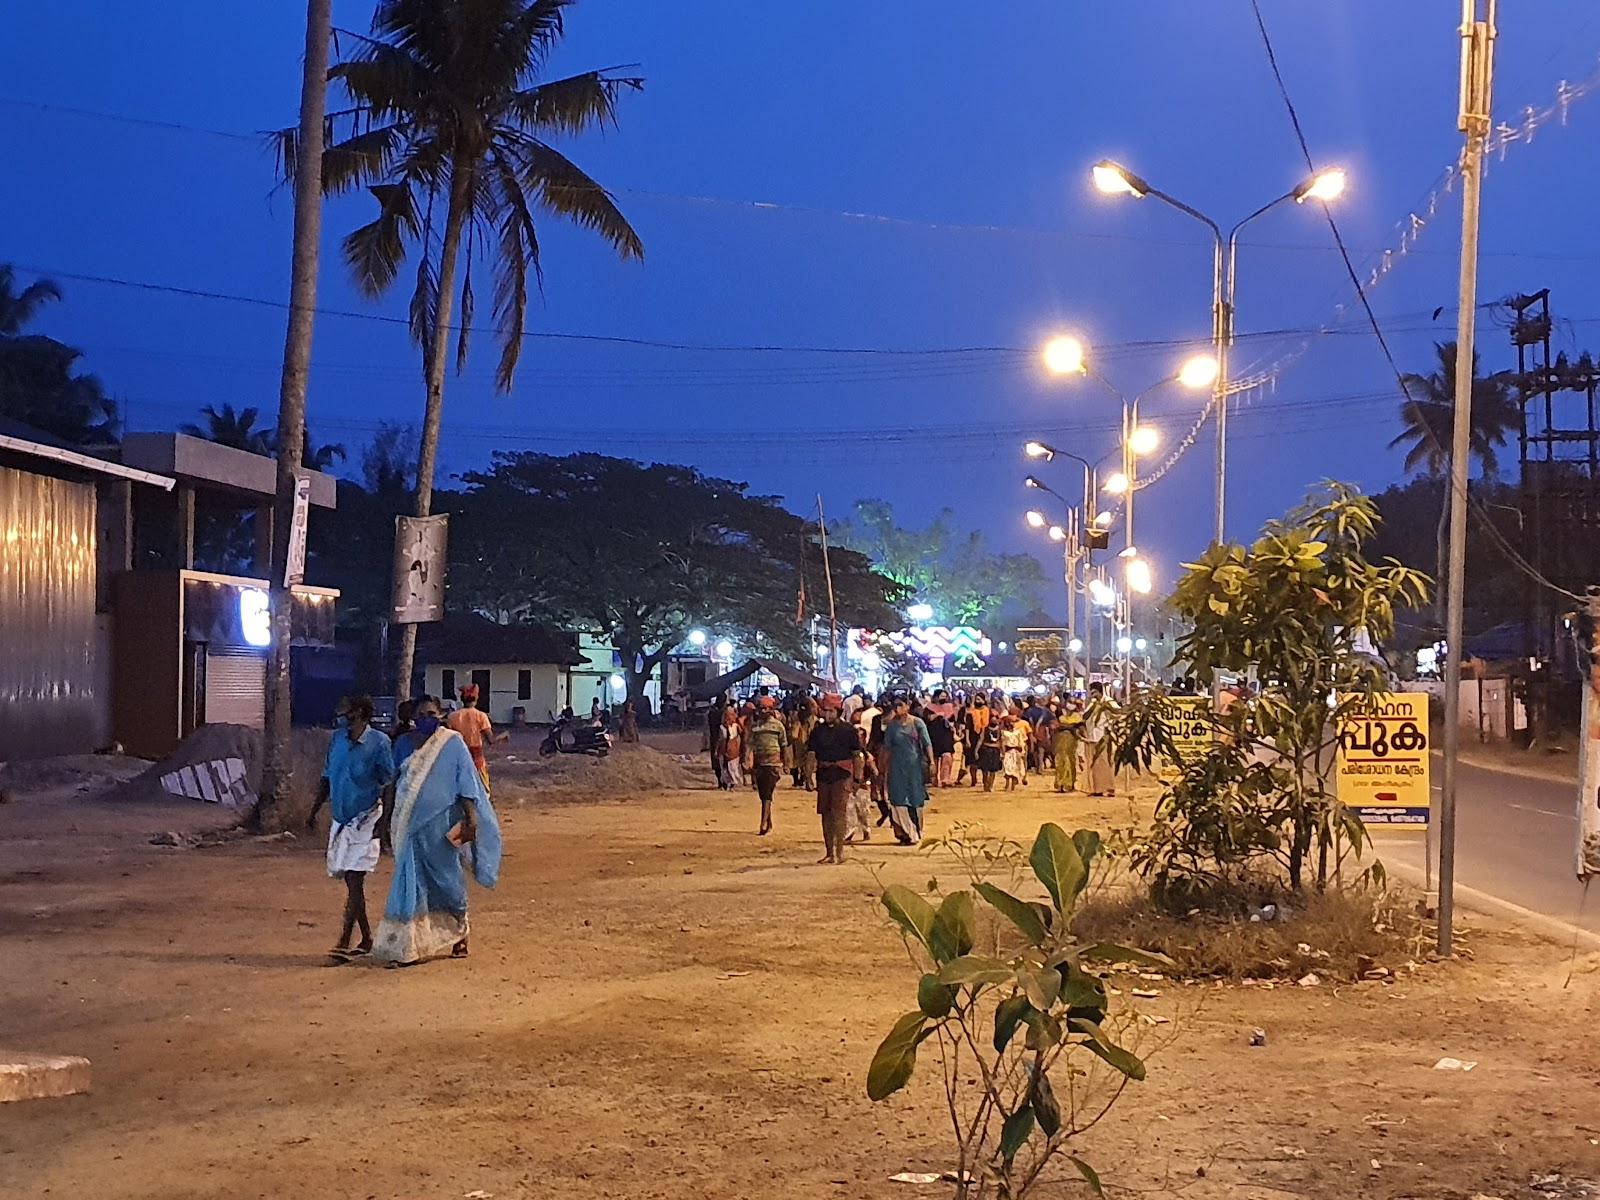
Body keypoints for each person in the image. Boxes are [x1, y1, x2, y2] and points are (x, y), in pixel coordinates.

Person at [372, 696, 502, 966]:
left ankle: (460, 931)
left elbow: (466, 783)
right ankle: (406, 947)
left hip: (439, 826)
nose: (426, 718)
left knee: (447, 881)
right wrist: (384, 819)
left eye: (431, 713)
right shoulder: (404, 745)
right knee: (408, 882)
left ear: (441, 714)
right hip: (407, 826)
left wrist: (471, 817)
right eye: (421, 714)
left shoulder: (452, 744)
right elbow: (393, 785)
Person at [310, 695, 396, 963]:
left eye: (345, 712)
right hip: (342, 819)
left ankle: (344, 942)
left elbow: (389, 783)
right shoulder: (337, 740)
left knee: (355, 880)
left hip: (366, 818)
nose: (340, 717)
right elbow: (327, 777)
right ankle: (367, 938)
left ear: (360, 713)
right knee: (350, 881)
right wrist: (314, 811)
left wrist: (384, 824)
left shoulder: (379, 743)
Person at [807, 693, 864, 864]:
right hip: (824, 774)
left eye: (831, 711)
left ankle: (839, 852)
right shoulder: (817, 731)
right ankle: (829, 851)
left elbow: (857, 755)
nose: (828, 714)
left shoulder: (849, 731)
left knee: (839, 812)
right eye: (826, 711)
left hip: (842, 774)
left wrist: (857, 777)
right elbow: (811, 754)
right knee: (825, 813)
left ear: (838, 711)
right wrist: (808, 776)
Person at [883, 696, 934, 843]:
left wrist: (931, 762)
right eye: (895, 705)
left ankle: (915, 833)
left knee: (915, 798)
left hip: (914, 768)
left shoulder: (918, 723)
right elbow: (887, 748)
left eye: (901, 705)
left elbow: (927, 744)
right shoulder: (892, 726)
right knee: (898, 799)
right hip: (897, 768)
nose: (898, 708)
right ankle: (903, 834)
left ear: (908, 705)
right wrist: (882, 769)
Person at [446, 684, 506, 791]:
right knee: (483, 791)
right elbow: (491, 740)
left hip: (458, 759)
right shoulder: (481, 716)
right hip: (476, 759)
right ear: (476, 698)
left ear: (462, 699)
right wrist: (503, 735)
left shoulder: (452, 717)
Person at [744, 696, 790, 835]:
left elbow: (784, 745)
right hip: (759, 763)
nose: (762, 711)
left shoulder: (778, 726)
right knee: (762, 792)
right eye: (760, 708)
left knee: (767, 792)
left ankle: (763, 822)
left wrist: (787, 763)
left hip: (773, 763)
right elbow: (749, 744)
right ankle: (768, 820)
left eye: (765, 708)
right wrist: (747, 759)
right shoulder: (755, 726)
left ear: (771, 710)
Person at [1082, 682, 1117, 796]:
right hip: (1093, 736)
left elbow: (1118, 712)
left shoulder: (1109, 701)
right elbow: (1085, 716)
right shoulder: (1092, 703)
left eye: (1093, 692)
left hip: (1104, 736)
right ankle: (1098, 788)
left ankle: (1109, 788)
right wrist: (1092, 704)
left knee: (1105, 763)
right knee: (1095, 764)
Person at [1053, 700, 1084, 793]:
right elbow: (1057, 727)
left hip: (1071, 741)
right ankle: (1061, 784)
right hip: (1060, 741)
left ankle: (1070, 783)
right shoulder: (1061, 717)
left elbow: (1079, 728)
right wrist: (1069, 727)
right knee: (1060, 762)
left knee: (1070, 761)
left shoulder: (1077, 717)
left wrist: (1067, 727)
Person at [925, 702, 956, 788]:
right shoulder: (929, 708)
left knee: (947, 757)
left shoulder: (949, 707)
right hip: (934, 736)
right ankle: (934, 779)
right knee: (934, 759)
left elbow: (953, 721)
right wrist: (938, 714)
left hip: (946, 737)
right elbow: (927, 719)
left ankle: (945, 779)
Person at [975, 712, 1003, 793]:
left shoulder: (999, 730)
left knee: (993, 770)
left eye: (995, 717)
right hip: (986, 749)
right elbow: (981, 739)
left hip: (995, 750)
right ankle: (985, 784)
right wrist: (977, 750)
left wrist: (1002, 752)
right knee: (985, 769)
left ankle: (991, 785)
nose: (994, 719)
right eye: (992, 717)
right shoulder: (985, 728)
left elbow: (1001, 741)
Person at [1000, 714, 1028, 792]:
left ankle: (1013, 785)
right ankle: (1007, 783)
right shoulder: (1004, 732)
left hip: (1016, 752)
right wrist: (1002, 752)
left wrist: (1023, 751)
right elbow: (1003, 743)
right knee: (1008, 767)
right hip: (1008, 752)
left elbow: (1021, 742)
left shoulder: (1018, 732)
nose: (1012, 724)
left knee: (1015, 768)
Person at [719, 706, 745, 789]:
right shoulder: (736, 726)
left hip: (727, 748)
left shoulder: (722, 727)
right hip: (734, 748)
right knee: (733, 766)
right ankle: (733, 781)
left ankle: (729, 782)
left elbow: (720, 740)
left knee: (726, 767)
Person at [707, 696, 729, 789]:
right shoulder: (725, 713)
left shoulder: (712, 713)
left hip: (714, 738)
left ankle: (720, 782)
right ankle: (725, 782)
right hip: (725, 739)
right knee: (725, 761)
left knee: (716, 761)